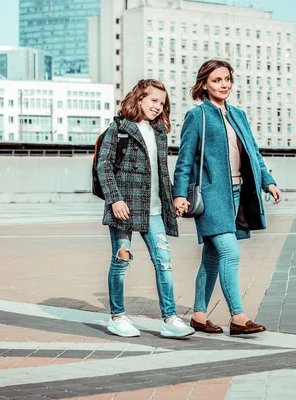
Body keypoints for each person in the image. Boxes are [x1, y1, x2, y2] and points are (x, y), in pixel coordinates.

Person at [173, 60, 282, 336]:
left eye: (227, 79)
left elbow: (253, 154)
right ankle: (238, 316)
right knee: (230, 252)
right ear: (204, 84)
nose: (223, 85)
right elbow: (184, 161)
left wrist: (268, 182)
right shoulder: (197, 116)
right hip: (212, 196)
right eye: (217, 80)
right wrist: (178, 194)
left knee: (212, 257)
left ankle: (198, 315)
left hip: (238, 194)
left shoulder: (238, 115)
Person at [97, 79, 194, 338]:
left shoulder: (159, 132)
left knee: (164, 263)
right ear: (139, 98)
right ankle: (117, 317)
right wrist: (115, 199)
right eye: (154, 101)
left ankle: (170, 319)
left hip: (154, 211)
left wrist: (174, 197)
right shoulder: (119, 129)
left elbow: (162, 172)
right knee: (121, 261)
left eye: (162, 104)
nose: (158, 107)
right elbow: (104, 166)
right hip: (125, 208)